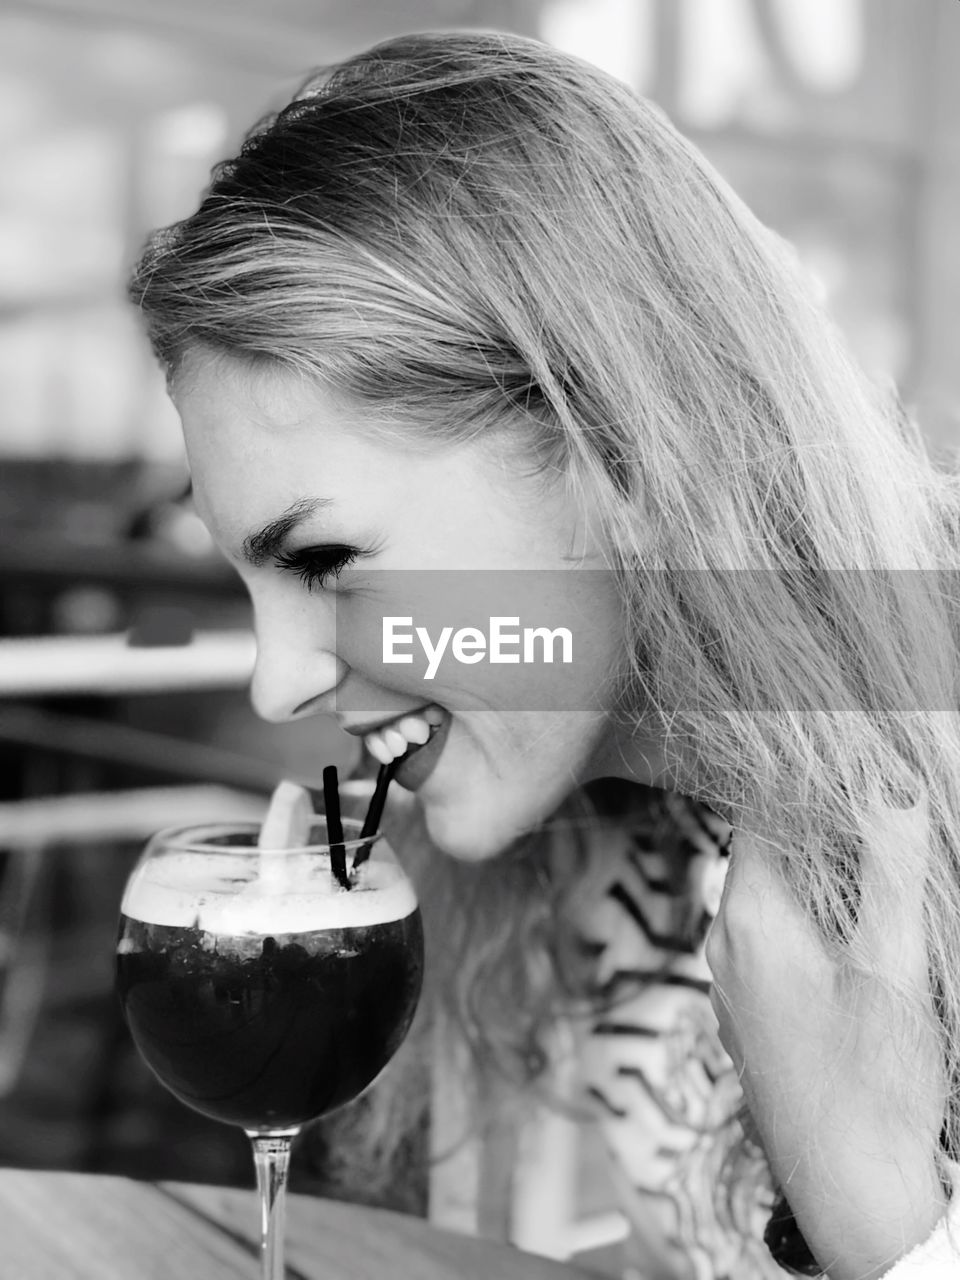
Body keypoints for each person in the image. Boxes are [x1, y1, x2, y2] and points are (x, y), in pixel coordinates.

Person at [127, 29, 960, 1278]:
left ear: (620, 450)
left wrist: (875, 1200)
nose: (277, 680)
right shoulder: (595, 816)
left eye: (327, 561)